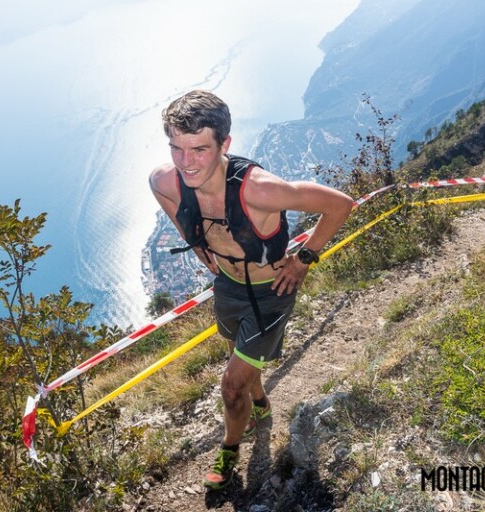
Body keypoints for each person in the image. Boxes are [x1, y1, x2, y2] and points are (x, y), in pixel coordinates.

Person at [149, 90, 353, 490]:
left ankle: (229, 448)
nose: (186, 162)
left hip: (270, 293)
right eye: (176, 148)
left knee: (230, 385)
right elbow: (159, 189)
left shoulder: (259, 190)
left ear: (224, 144)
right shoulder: (167, 180)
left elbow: (340, 204)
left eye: (199, 150)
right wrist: (193, 240)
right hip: (226, 286)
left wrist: (303, 260)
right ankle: (259, 404)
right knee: (238, 359)